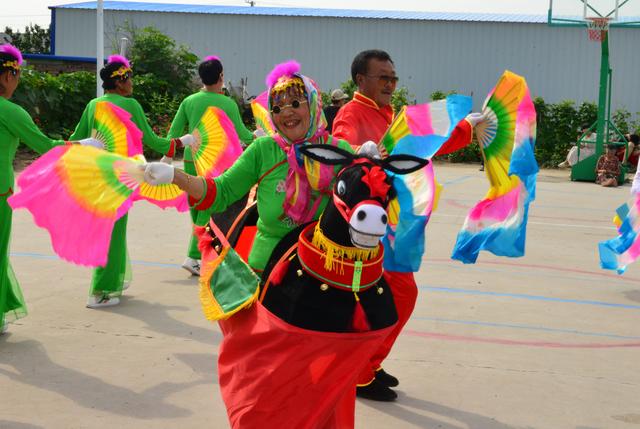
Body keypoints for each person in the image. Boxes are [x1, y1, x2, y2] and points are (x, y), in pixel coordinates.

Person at [332, 49, 482, 401]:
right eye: (383, 77)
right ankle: (360, 370)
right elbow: (342, 145)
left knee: (396, 294)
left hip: (394, 224)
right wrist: (360, 149)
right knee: (398, 294)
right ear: (361, 80)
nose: (390, 84)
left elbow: (429, 143)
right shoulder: (351, 113)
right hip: (369, 226)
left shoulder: (389, 114)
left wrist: (469, 126)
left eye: (393, 78)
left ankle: (368, 364)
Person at [70, 55, 193, 308]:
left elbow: (76, 138)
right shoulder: (131, 105)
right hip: (121, 177)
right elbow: (153, 141)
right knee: (113, 233)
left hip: (99, 175)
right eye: (129, 78)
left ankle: (114, 279)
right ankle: (101, 291)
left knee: (111, 229)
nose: (132, 83)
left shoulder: (94, 105)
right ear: (121, 82)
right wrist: (182, 142)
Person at [0, 44, 102, 334]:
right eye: (17, 74)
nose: (17, 80)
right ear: (8, 75)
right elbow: (44, 147)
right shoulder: (10, 111)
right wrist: (81, 145)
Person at [167, 55, 254, 276]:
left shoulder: (189, 101)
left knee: (196, 204)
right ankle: (194, 255)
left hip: (190, 158)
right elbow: (242, 133)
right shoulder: (227, 103)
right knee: (209, 204)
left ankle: (198, 250)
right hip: (215, 162)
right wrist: (259, 135)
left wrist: (168, 154)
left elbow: (173, 134)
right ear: (221, 76)